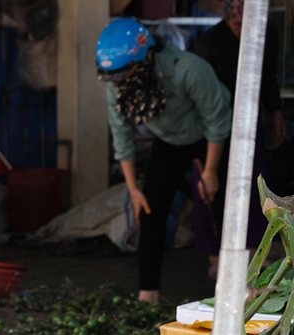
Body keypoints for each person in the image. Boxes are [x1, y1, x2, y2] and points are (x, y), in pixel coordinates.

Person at [96, 18, 232, 304]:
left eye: (123, 73)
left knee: (220, 204)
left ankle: (233, 282)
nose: (117, 81)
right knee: (149, 209)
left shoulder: (189, 70)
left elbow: (217, 119)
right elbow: (122, 137)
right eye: (111, 76)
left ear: (146, 56)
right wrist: (133, 189)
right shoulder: (118, 85)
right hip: (169, 142)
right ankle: (148, 294)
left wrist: (209, 171)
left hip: (209, 137)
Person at [192, 0, 284, 278]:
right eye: (236, 24)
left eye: (246, 25)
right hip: (211, 122)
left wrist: (275, 112)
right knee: (209, 183)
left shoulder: (265, 34)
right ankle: (215, 257)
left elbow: (268, 76)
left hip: (249, 118)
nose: (241, 29)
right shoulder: (208, 44)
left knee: (256, 183)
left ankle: (254, 252)